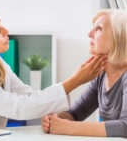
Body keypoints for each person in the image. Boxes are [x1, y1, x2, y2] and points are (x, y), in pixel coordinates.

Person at [0, 7, 106, 128]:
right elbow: (20, 107)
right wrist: (75, 81)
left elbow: (28, 96)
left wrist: (53, 117)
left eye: (0, 24)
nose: (6, 31)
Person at [41, 9, 127, 137]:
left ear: (118, 37)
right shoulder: (101, 77)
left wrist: (65, 126)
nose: (89, 34)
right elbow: (75, 114)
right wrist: (54, 120)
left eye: (99, 29)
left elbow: (124, 128)